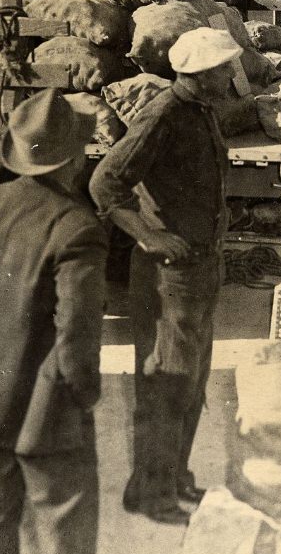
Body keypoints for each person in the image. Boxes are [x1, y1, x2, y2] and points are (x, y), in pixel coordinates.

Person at [90, 27, 242, 523]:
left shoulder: (200, 111)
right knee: (164, 383)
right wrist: (147, 235)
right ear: (197, 74)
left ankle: (173, 479)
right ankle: (151, 493)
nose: (229, 74)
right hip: (168, 274)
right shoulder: (163, 114)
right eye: (222, 67)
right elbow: (106, 181)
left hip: (199, 270)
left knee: (191, 385)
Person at [0, 89, 106, 554]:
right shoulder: (76, 225)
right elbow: (77, 331)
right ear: (76, 158)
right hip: (47, 410)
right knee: (63, 529)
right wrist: (82, 395)